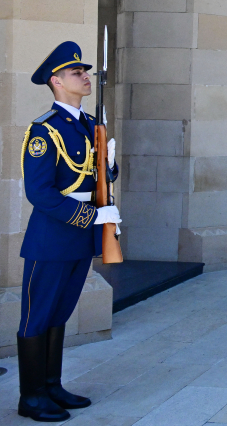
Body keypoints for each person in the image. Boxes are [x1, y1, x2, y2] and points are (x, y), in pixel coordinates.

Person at [18, 41, 121, 422]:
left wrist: (109, 167)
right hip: (52, 237)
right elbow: (39, 192)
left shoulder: (88, 127)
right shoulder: (44, 130)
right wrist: (89, 217)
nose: (86, 76)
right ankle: (30, 397)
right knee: (37, 315)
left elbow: (97, 179)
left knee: (60, 312)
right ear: (56, 81)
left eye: (86, 71)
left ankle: (51, 385)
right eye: (77, 72)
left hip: (80, 237)